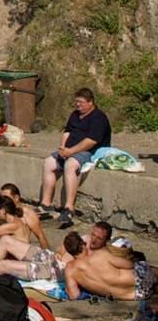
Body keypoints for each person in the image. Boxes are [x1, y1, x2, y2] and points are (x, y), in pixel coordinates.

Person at [41, 88, 113, 223]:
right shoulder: (75, 115)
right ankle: (46, 204)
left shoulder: (98, 118)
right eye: (76, 102)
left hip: (90, 152)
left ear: (90, 102)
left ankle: (69, 207)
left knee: (70, 165)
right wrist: (63, 148)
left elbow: (91, 142)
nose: (78, 105)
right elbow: (67, 132)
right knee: (48, 162)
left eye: (81, 102)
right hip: (70, 150)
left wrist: (71, 152)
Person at [58, 223, 139, 303]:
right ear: (83, 246)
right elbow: (130, 265)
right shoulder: (101, 254)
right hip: (142, 280)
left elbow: (74, 295)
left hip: (136, 295)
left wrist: (67, 290)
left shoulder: (70, 269)